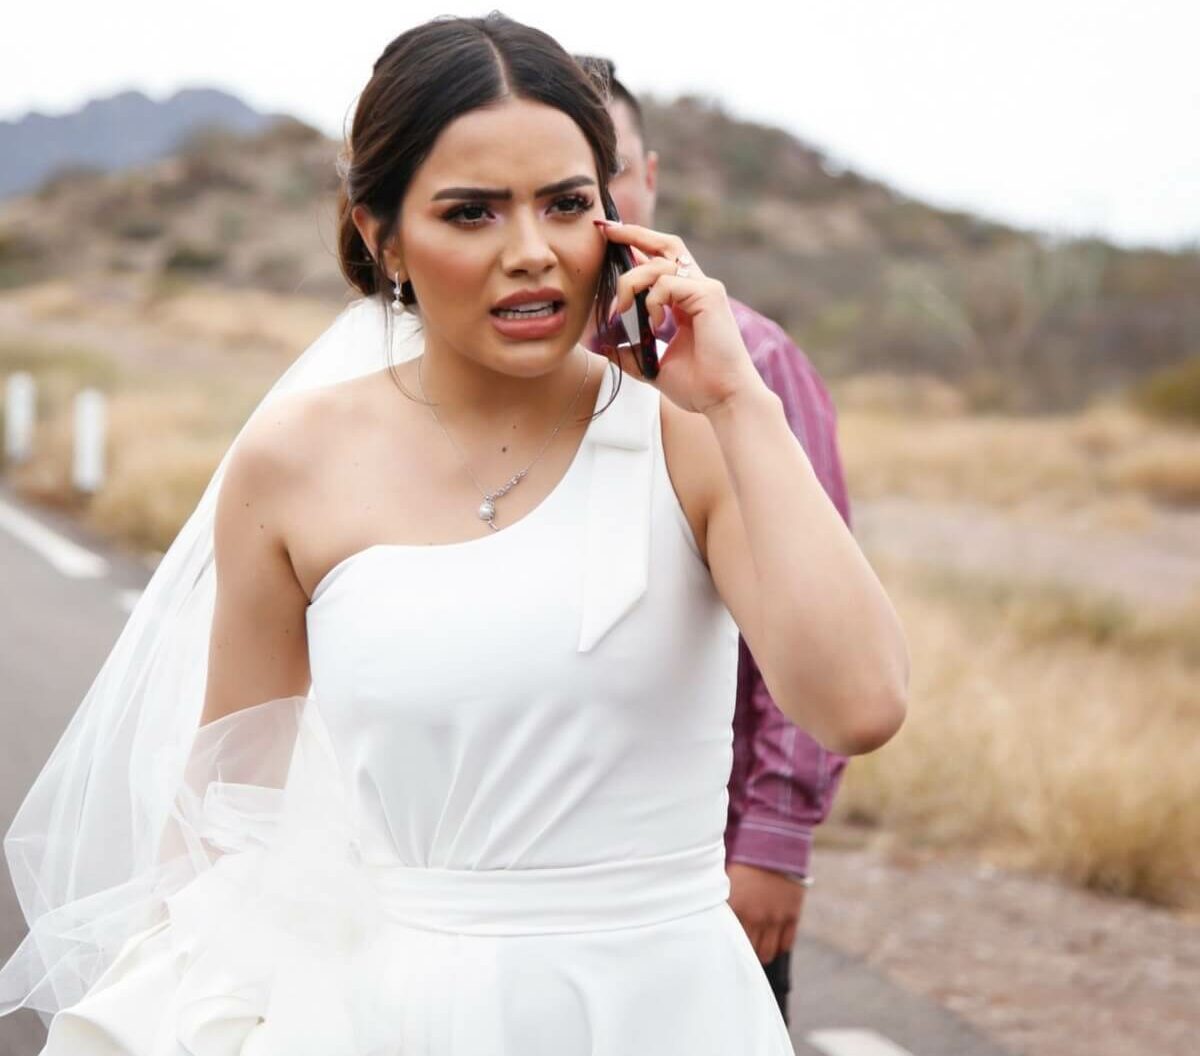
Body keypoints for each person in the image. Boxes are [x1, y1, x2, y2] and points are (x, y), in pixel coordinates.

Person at [0, 14, 909, 1053]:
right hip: (400, 1017)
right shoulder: (291, 464)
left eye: (566, 203)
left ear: (615, 216)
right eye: (471, 212)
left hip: (669, 1008)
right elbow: (227, 815)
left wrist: (742, 404)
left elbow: (861, 706)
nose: (532, 253)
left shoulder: (690, 435)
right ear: (381, 234)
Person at [574, 56, 855, 1026]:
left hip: (697, 859)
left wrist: (775, 839)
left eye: (608, 172)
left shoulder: (751, 360)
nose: (595, 203)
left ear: (649, 177)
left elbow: (804, 604)